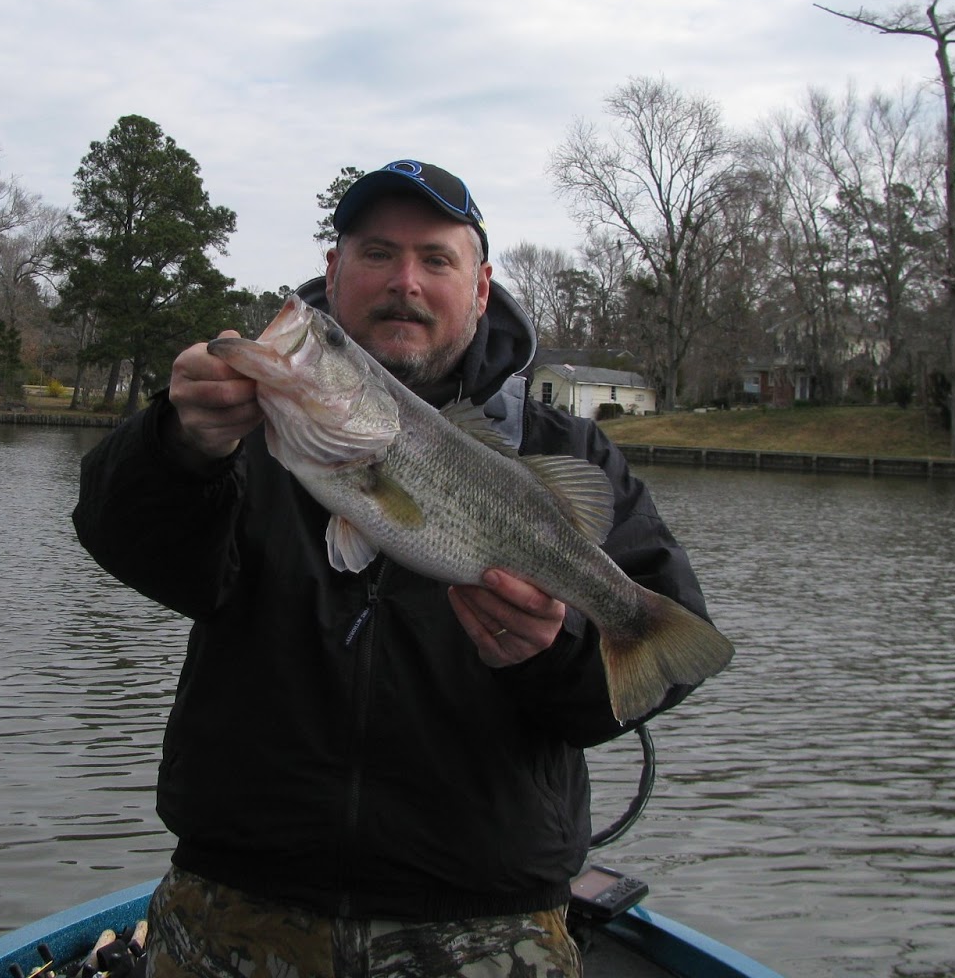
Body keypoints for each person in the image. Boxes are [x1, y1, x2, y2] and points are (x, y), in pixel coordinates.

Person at [73, 160, 714, 977]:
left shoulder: (565, 452)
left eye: (436, 260)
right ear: (333, 273)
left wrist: (552, 653)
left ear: (480, 290)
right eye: (376, 253)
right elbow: (124, 544)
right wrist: (176, 445)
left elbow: (654, 668)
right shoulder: (241, 430)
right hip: (237, 900)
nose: (403, 281)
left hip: (487, 919)